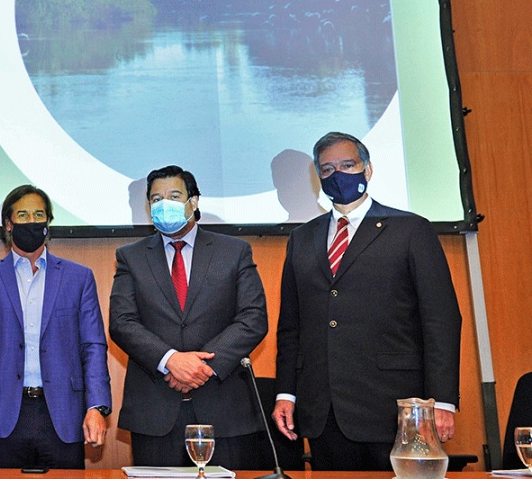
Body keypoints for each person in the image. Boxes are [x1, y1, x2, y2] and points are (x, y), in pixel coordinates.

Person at [272, 132, 462, 471]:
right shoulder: (301, 239)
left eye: (348, 165)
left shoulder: (410, 230)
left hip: (395, 410)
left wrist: (442, 401)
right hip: (323, 412)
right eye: (327, 170)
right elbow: (291, 326)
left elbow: (442, 320)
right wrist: (286, 393)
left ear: (368, 169)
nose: (338, 175)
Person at [109, 165, 268, 469]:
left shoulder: (234, 251)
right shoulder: (130, 256)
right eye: (155, 199)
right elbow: (122, 322)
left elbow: (253, 318)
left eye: (173, 195)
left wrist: (200, 366)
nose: (163, 204)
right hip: (154, 413)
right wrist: (170, 360)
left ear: (193, 202)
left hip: (224, 410)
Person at [0, 185, 113, 469]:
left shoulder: (79, 278)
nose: (31, 222)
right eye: (23, 215)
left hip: (64, 416)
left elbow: (93, 347)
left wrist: (96, 407)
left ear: (48, 223)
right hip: (1, 417)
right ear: (8, 223)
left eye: (39, 215)